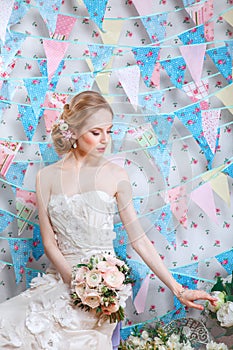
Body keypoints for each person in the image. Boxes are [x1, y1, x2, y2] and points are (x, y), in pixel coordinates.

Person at [0, 91, 216, 349]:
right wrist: (77, 284)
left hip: (102, 292)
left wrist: (178, 290)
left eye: (109, 131)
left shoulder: (115, 174)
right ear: (75, 133)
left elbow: (139, 240)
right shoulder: (45, 177)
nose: (105, 140)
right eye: (96, 132)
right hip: (61, 281)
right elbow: (49, 244)